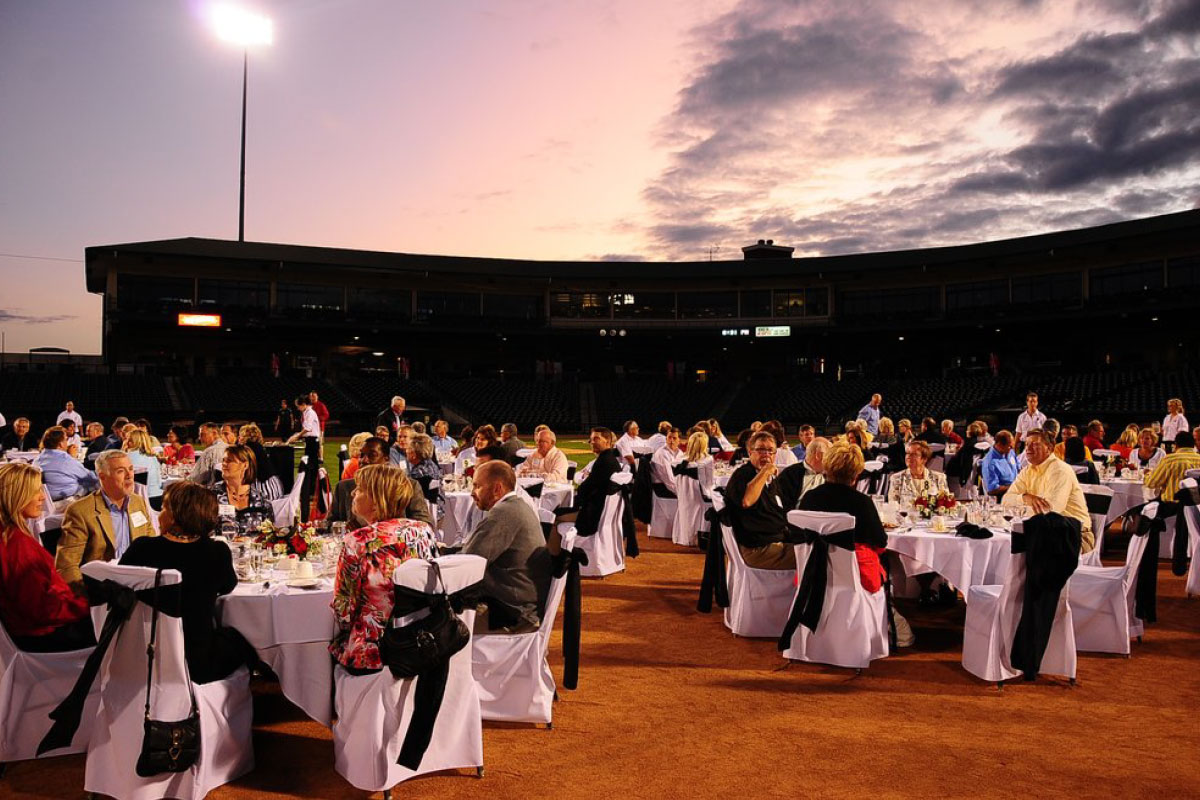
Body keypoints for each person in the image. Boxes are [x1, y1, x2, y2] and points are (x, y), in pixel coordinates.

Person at [120, 482, 254, 683]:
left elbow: (119, 586)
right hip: (198, 663)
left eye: (163, 508)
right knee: (242, 641)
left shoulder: (141, 549)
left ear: (173, 516)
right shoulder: (216, 552)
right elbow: (228, 585)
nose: (159, 515)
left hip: (141, 657)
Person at [329, 464, 438, 672]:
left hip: (374, 652)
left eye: (360, 490)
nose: (353, 493)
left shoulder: (358, 541)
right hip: (421, 640)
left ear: (376, 503)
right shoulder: (423, 531)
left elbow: (343, 613)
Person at [0, 462, 95, 652]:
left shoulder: (9, 536)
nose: (43, 497)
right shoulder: (18, 546)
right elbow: (42, 609)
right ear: (17, 496)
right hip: (45, 635)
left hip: (29, 629)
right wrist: (89, 606)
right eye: (36, 491)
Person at [460, 461, 552, 634]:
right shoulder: (516, 506)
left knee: (440, 622)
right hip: (521, 604)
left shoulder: (503, 513)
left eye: (477, 486)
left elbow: (468, 563)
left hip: (514, 614)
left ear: (497, 489)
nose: (472, 493)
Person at [56, 450, 158, 595]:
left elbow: (150, 546)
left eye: (130, 469)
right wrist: (90, 598)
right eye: (121, 471)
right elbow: (67, 566)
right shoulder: (81, 511)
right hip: (103, 590)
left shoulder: (137, 502)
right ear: (102, 477)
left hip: (139, 584)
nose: (130, 476)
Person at [1001, 429, 1094, 553]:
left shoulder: (1059, 471)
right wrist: (1025, 498)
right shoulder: (1027, 471)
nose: (1028, 448)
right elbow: (1005, 501)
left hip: (1074, 536)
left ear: (1049, 448)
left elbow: (1050, 511)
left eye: (1035, 444)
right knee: (1006, 547)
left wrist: (1019, 508)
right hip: (1044, 532)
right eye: (1027, 444)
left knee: (1022, 549)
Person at [723, 431, 794, 569]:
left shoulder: (770, 480)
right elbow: (747, 501)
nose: (766, 454)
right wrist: (766, 471)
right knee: (813, 555)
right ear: (750, 452)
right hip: (758, 549)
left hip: (774, 540)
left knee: (812, 545)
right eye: (761, 450)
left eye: (770, 451)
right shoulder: (743, 474)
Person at [331, 437, 434, 529]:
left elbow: (424, 525)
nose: (364, 460)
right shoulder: (344, 487)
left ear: (386, 459)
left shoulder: (407, 486)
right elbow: (328, 523)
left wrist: (393, 529)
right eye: (361, 455)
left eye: (372, 455)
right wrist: (344, 526)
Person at [554, 427, 621, 536]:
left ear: (607, 441)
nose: (592, 442)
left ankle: (557, 552)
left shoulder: (603, 461)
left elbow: (584, 490)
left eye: (596, 439)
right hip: (602, 512)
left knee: (552, 516)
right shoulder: (609, 458)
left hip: (593, 515)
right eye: (591, 439)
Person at [213, 444, 274, 536]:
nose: (224, 464)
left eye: (229, 460)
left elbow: (269, 535)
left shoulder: (261, 500)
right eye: (223, 460)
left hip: (252, 549)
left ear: (245, 465)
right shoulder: (212, 495)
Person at [36, 426, 99, 502]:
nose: (67, 443)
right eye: (66, 440)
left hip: (46, 499)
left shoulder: (38, 458)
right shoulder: (65, 459)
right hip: (65, 501)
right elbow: (90, 477)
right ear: (60, 444)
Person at [286, 394, 322, 522]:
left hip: (312, 440)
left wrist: (297, 436)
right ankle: (311, 488)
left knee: (310, 465)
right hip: (311, 440)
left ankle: (311, 490)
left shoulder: (309, 412)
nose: (298, 408)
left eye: (298, 406)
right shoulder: (307, 412)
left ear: (303, 404)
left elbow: (307, 428)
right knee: (310, 465)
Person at [1145, 432, 1200, 503]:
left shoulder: (1169, 460)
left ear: (1176, 445)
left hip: (1171, 507)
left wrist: (1148, 474)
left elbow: (1151, 483)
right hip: (1197, 508)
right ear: (1194, 445)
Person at [777, 436, 829, 509]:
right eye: (829, 456)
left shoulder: (830, 476)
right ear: (818, 455)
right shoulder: (790, 474)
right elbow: (783, 505)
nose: (830, 461)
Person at [123, 429, 163, 509]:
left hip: (137, 502)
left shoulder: (126, 458)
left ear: (132, 442)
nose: (127, 442)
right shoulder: (153, 457)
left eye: (129, 440)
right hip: (157, 498)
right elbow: (159, 482)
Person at [981, 430, 1019, 498]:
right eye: (1009, 446)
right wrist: (1015, 487)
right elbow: (992, 490)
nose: (1012, 448)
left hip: (1017, 493)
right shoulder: (990, 463)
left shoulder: (1010, 452)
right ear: (999, 444)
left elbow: (1019, 468)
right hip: (1002, 499)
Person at [191, 422, 229, 487]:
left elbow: (196, 479)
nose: (199, 438)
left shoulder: (209, 451)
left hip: (210, 492)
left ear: (214, 433)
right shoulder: (230, 448)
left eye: (202, 435)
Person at [650, 427, 682, 494]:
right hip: (662, 486)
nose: (671, 440)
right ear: (666, 438)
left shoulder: (680, 453)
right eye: (669, 437)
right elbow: (668, 480)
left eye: (674, 438)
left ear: (679, 440)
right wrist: (682, 494)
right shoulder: (662, 453)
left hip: (674, 484)